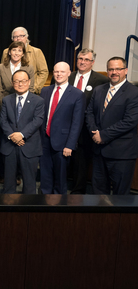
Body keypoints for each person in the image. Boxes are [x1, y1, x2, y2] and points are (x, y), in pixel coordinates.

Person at [85, 57, 138, 195]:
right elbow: (89, 113)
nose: (114, 72)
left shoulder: (134, 92)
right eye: (110, 69)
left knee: (120, 197)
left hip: (121, 154)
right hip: (99, 151)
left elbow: (129, 121)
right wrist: (94, 133)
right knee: (98, 194)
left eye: (118, 69)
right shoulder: (99, 90)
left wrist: (103, 135)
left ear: (125, 71)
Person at [39, 62, 85, 194]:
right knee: (45, 175)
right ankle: (44, 202)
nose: (58, 74)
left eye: (62, 72)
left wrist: (70, 145)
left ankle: (59, 206)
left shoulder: (77, 94)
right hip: (44, 140)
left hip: (63, 143)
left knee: (60, 178)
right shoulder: (45, 90)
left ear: (69, 73)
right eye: (56, 72)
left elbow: (77, 123)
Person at [68, 48, 109, 194]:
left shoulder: (102, 81)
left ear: (92, 62)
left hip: (86, 128)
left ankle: (78, 191)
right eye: (80, 58)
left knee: (81, 160)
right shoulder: (68, 76)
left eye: (86, 60)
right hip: (66, 126)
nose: (82, 62)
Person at [0, 70, 45, 194]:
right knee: (8, 183)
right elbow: (3, 121)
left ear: (29, 82)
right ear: (12, 82)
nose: (20, 84)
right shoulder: (6, 100)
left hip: (29, 146)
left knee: (29, 184)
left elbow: (37, 121)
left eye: (23, 81)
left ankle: (28, 211)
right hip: (9, 146)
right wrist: (12, 136)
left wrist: (21, 135)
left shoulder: (38, 101)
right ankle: (8, 210)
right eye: (17, 81)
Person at [1, 27, 48, 94]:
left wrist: (35, 87)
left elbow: (43, 72)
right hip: (9, 92)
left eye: (21, 36)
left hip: (29, 91)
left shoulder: (36, 52)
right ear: (12, 39)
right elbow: (2, 72)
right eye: (15, 36)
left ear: (26, 37)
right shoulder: (6, 52)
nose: (18, 38)